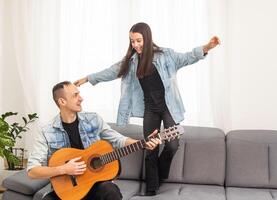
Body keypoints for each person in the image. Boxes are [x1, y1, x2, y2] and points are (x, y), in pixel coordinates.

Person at [74, 22, 220, 196]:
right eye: (132, 41)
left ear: (147, 38)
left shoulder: (166, 55)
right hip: (150, 109)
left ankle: (160, 174)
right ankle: (151, 190)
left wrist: (207, 47)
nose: (135, 45)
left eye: (138, 40)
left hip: (168, 107)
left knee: (172, 145)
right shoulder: (132, 61)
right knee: (150, 148)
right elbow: (111, 71)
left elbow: (187, 57)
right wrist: (86, 79)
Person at [27, 81, 161, 200]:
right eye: (75, 95)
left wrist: (144, 143)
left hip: (96, 187)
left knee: (110, 190)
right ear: (62, 102)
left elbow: (119, 140)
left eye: (79, 94)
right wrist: (64, 169)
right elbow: (32, 171)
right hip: (67, 192)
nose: (81, 98)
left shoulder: (93, 120)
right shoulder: (46, 131)